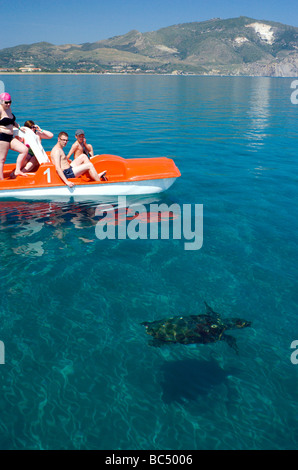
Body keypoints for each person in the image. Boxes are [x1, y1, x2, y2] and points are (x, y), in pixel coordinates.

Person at [0, 92, 28, 179]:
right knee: (2, 159)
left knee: (24, 150)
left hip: (10, 137)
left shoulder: (9, 108)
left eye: (10, 102)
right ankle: (1, 179)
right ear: (1, 102)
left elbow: (11, 121)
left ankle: (18, 170)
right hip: (2, 137)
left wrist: (19, 127)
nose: (8, 104)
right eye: (6, 102)